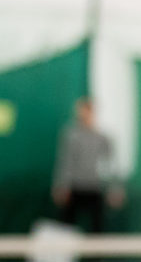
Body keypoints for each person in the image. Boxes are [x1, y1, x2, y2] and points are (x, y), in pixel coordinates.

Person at [52, 97, 125, 234]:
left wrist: (115, 188)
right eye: (81, 112)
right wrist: (61, 186)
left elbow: (111, 164)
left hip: (95, 188)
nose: (84, 115)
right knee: (66, 228)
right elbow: (65, 162)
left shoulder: (102, 137)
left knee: (97, 228)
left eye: (87, 112)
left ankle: (96, 255)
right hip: (74, 188)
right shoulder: (70, 135)